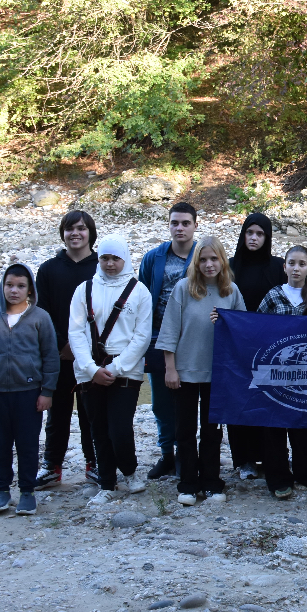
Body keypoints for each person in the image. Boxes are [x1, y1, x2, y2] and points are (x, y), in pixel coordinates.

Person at [156, 236, 246, 506]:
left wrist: (227, 322)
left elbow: (243, 331)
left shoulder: (232, 291)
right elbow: (169, 330)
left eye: (214, 259)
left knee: (212, 431)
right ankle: (187, 483)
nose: (209, 264)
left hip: (216, 374)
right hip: (185, 371)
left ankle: (211, 481)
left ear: (222, 261)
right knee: (184, 430)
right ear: (197, 262)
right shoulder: (184, 288)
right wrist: (170, 369)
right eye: (203, 259)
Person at [0, 263, 58, 517]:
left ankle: (27, 492)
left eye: (20, 286)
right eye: (9, 285)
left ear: (30, 290)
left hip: (29, 393)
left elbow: (50, 357)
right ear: (2, 287)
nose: (14, 290)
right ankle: (1, 490)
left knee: (28, 444)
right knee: (0, 444)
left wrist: (47, 391)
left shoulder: (40, 318)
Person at [68, 235, 153, 507]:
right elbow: (76, 332)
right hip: (90, 369)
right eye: (105, 257)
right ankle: (106, 482)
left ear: (125, 259)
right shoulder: (84, 290)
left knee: (119, 428)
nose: (110, 263)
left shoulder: (140, 292)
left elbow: (142, 336)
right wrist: (90, 369)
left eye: (115, 258)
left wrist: (116, 368)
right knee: (98, 428)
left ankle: (129, 470)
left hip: (126, 370)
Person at [256, 245, 307, 498]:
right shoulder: (273, 296)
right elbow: (255, 328)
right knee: (274, 425)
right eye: (292, 263)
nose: (296, 268)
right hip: (276, 373)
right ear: (284, 266)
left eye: (302, 264)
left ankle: (306, 472)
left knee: (301, 425)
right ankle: (278, 477)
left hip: (306, 376)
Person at [34, 210, 99, 490]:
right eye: (70, 228)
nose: (76, 233)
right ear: (63, 232)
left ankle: (94, 463)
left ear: (90, 233)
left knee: (91, 411)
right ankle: (52, 466)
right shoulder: (48, 270)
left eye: (82, 229)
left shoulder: (102, 266)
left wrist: (85, 349)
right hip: (58, 354)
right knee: (57, 411)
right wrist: (63, 346)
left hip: (95, 354)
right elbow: (42, 312)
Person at [139, 202, 198, 480]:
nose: (180, 228)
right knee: (161, 400)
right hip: (158, 338)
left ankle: (188, 453)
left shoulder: (203, 256)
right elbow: (141, 296)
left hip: (194, 339)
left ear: (195, 225)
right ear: (169, 225)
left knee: (189, 399)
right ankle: (167, 454)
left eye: (185, 223)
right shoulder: (154, 258)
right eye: (175, 223)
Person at [228, 213, 285, 481]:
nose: (254, 238)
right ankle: (244, 459)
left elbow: (296, 290)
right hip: (236, 345)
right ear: (243, 235)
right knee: (239, 399)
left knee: (267, 399)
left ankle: (269, 455)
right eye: (250, 233)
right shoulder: (229, 267)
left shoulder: (278, 267)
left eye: (260, 234)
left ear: (267, 237)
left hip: (270, 346)